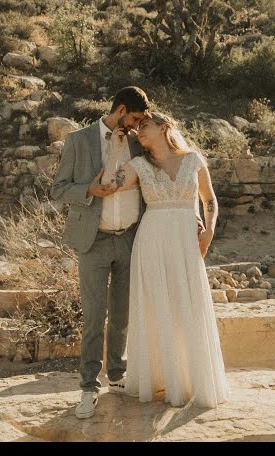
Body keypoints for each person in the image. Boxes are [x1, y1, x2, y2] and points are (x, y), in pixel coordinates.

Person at [92, 111, 230, 408]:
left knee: (188, 304)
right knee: (157, 308)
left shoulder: (193, 159)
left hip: (185, 241)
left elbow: (210, 200)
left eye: (145, 126)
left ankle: (192, 380)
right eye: (137, 127)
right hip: (152, 240)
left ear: (164, 127)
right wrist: (116, 149)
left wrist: (209, 232)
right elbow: (108, 184)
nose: (139, 131)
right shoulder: (138, 165)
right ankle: (161, 380)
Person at [49, 86, 151, 419]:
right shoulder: (78, 140)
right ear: (121, 110)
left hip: (129, 239)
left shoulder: (138, 142)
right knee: (94, 317)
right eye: (134, 119)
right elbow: (57, 189)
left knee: (121, 315)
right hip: (93, 240)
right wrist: (90, 189)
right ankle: (88, 386)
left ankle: (117, 377)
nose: (136, 126)